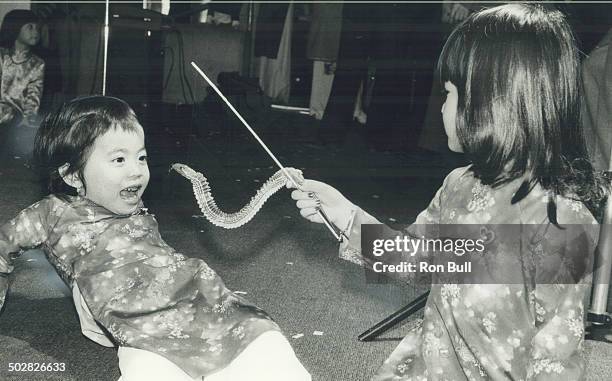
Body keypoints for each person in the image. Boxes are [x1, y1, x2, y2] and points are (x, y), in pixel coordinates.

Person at [291, 4, 607, 380]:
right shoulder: (459, 185)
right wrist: (345, 214)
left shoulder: (562, 220)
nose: (442, 107)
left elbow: (558, 355)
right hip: (433, 367)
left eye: (450, 93)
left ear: (493, 102)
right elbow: (417, 259)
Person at [0, 96, 311, 381]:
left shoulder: (139, 211)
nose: (137, 171)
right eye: (119, 160)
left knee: (264, 343)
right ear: (70, 175)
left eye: (142, 157)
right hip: (140, 328)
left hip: (201, 298)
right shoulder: (52, 213)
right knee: (153, 370)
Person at [0, 9, 45, 158]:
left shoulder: (37, 64)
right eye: (30, 27)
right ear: (15, 28)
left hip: (14, 120)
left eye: (37, 28)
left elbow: (34, 95)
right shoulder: (2, 56)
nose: (36, 31)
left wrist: (28, 118)